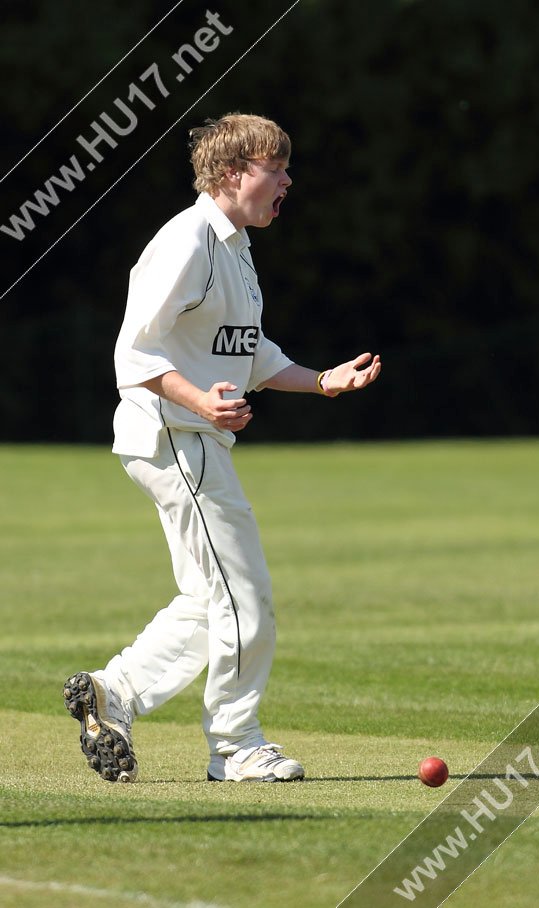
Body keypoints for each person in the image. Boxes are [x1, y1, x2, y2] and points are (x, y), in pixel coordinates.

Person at [63, 112, 381, 783]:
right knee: (246, 597)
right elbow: (133, 351)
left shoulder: (234, 245)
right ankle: (236, 746)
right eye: (276, 167)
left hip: (187, 438)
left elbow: (248, 352)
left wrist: (322, 380)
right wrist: (200, 400)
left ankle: (113, 692)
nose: (288, 180)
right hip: (175, 436)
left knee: (211, 602)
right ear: (233, 172)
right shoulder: (188, 242)